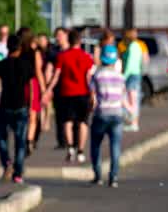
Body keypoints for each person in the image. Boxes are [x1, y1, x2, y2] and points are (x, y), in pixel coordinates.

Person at [0, 34, 36, 183]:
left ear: (8, 47)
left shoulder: (0, 65)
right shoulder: (27, 65)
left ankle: (7, 163)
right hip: (22, 106)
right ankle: (18, 174)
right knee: (20, 141)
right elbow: (31, 87)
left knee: (1, 137)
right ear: (20, 48)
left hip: (5, 106)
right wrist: (31, 105)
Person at [89, 36, 133, 188]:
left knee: (96, 145)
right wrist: (131, 112)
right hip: (117, 114)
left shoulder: (97, 76)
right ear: (115, 60)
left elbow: (92, 97)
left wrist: (91, 110)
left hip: (101, 114)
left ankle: (98, 175)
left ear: (102, 59)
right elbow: (123, 98)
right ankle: (113, 177)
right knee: (115, 147)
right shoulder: (120, 77)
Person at [53, 26, 96, 163]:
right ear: (79, 41)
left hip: (66, 93)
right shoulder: (86, 57)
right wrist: (93, 95)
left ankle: (70, 147)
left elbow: (56, 75)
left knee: (68, 121)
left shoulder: (62, 56)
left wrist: (48, 90)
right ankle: (81, 151)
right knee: (83, 122)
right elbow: (89, 77)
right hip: (83, 93)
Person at [119, 28, 149, 131]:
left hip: (131, 76)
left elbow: (129, 65)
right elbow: (144, 61)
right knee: (133, 100)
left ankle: (133, 121)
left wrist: (124, 76)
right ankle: (133, 122)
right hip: (136, 75)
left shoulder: (132, 47)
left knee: (129, 100)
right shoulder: (137, 46)